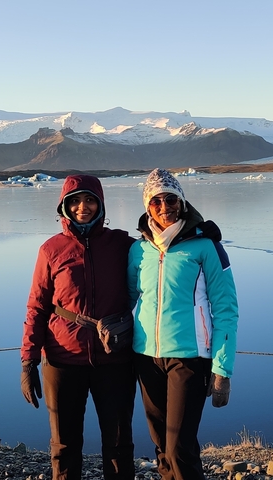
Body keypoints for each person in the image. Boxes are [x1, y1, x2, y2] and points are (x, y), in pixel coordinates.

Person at [21, 174, 137, 480]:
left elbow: (161, 251)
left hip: (115, 360)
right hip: (62, 360)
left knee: (119, 445)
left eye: (89, 200)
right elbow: (37, 306)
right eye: (74, 201)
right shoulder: (51, 249)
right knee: (64, 445)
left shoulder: (122, 244)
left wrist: (198, 233)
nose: (82, 207)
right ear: (64, 206)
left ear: (100, 204)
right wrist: (28, 361)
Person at [127, 168, 238, 480]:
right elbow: (128, 298)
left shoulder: (207, 247)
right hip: (146, 356)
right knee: (162, 445)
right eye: (156, 201)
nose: (165, 207)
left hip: (189, 359)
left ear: (183, 202)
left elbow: (227, 309)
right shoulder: (140, 250)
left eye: (171, 199)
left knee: (180, 448)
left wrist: (222, 371)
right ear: (147, 206)